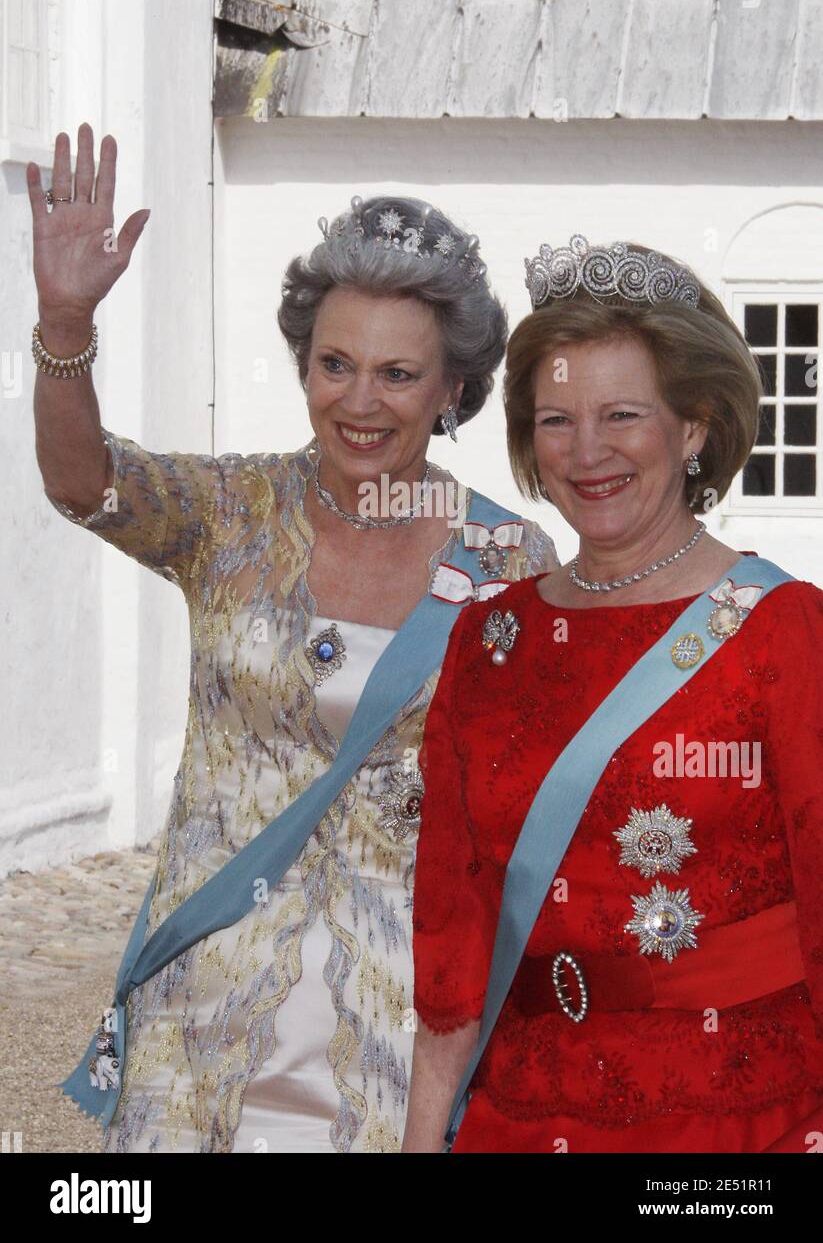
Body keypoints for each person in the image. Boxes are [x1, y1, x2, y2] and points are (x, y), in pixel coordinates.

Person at [28, 124, 559, 1153]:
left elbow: (534, 801)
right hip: (202, 1010)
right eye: (333, 364)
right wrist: (62, 323)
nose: (358, 403)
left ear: (452, 388)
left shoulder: (509, 560)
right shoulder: (227, 511)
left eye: (398, 375)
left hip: (394, 1019)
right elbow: (81, 482)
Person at [404, 235, 823, 1153]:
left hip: (730, 1126)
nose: (585, 452)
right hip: (518, 1113)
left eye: (622, 414)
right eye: (554, 419)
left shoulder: (783, 631)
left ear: (694, 426)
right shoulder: (487, 638)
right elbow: (452, 930)